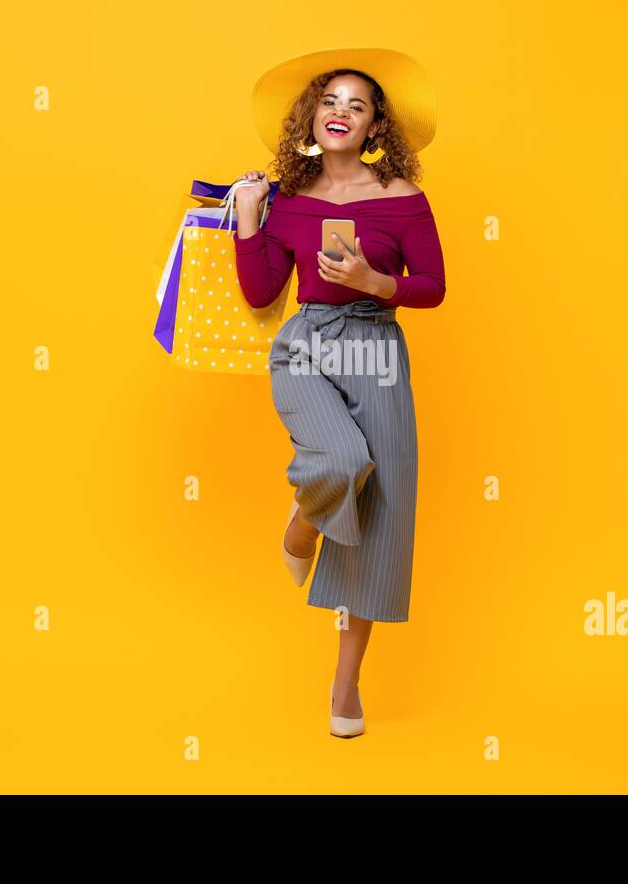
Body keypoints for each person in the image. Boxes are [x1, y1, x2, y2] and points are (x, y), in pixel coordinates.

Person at [230, 48, 445, 738]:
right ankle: (301, 524)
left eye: (357, 104)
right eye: (330, 102)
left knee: (376, 525)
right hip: (310, 344)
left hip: (377, 347)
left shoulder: (404, 202)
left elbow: (434, 286)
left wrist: (376, 283)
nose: (341, 112)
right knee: (341, 465)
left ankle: (346, 686)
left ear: (376, 122)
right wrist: (248, 218)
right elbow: (262, 291)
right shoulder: (289, 204)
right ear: (311, 118)